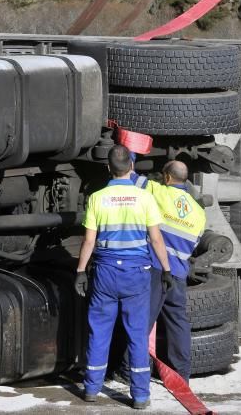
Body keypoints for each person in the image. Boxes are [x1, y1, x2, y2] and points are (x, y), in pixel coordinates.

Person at [74, 144, 172, 410]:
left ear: (108, 168)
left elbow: (89, 241)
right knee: (137, 334)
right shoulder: (145, 198)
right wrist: (166, 269)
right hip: (136, 274)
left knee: (99, 330)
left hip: (104, 273)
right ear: (131, 165)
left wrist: (81, 271)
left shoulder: (97, 198)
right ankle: (140, 396)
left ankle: (92, 389)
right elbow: (155, 238)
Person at [143, 160, 206, 382]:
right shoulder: (199, 212)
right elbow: (195, 242)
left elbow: (127, 177)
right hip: (179, 274)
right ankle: (182, 375)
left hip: (156, 269)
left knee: (143, 321)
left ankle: (133, 371)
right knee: (177, 322)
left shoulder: (158, 191)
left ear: (167, 177)